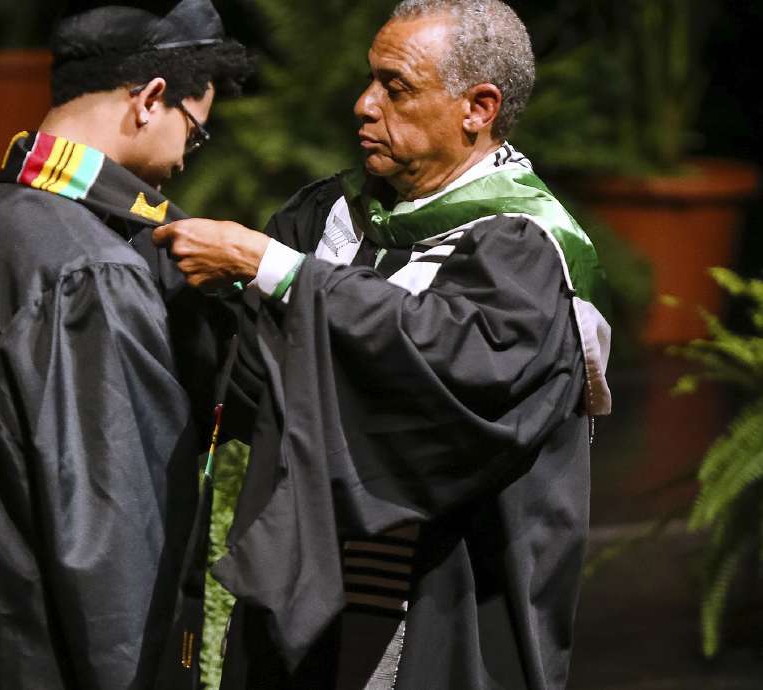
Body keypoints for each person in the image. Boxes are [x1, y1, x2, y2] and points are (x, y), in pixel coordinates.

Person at [153, 0, 612, 687]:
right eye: (370, 81)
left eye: (396, 88)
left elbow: (447, 372)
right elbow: (256, 374)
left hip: (442, 596)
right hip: (311, 586)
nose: (365, 105)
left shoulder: (529, 249)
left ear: (478, 107)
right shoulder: (331, 214)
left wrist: (274, 270)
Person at [0, 1, 253, 688]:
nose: (181, 160)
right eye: (194, 134)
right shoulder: (90, 271)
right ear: (149, 100)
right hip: (43, 658)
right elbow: (113, 547)